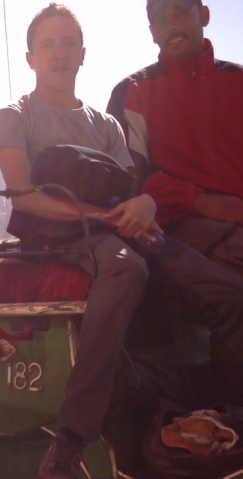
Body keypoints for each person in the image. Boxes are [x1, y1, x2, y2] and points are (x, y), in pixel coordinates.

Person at [0, 3, 243, 479]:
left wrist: (144, 202)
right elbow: (23, 194)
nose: (59, 53)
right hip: (58, 238)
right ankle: (73, 436)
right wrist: (105, 218)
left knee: (227, 290)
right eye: (47, 45)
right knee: (125, 270)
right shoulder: (15, 116)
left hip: (116, 228)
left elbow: (133, 187)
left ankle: (226, 415)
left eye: (68, 44)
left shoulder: (104, 124)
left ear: (83, 54)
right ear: (31, 57)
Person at [107, 0, 243, 279]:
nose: (171, 23)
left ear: (203, 15)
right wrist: (199, 201)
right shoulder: (132, 92)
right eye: (159, 18)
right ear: (152, 32)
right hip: (175, 226)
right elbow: (125, 181)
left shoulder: (238, 82)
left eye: (180, 10)